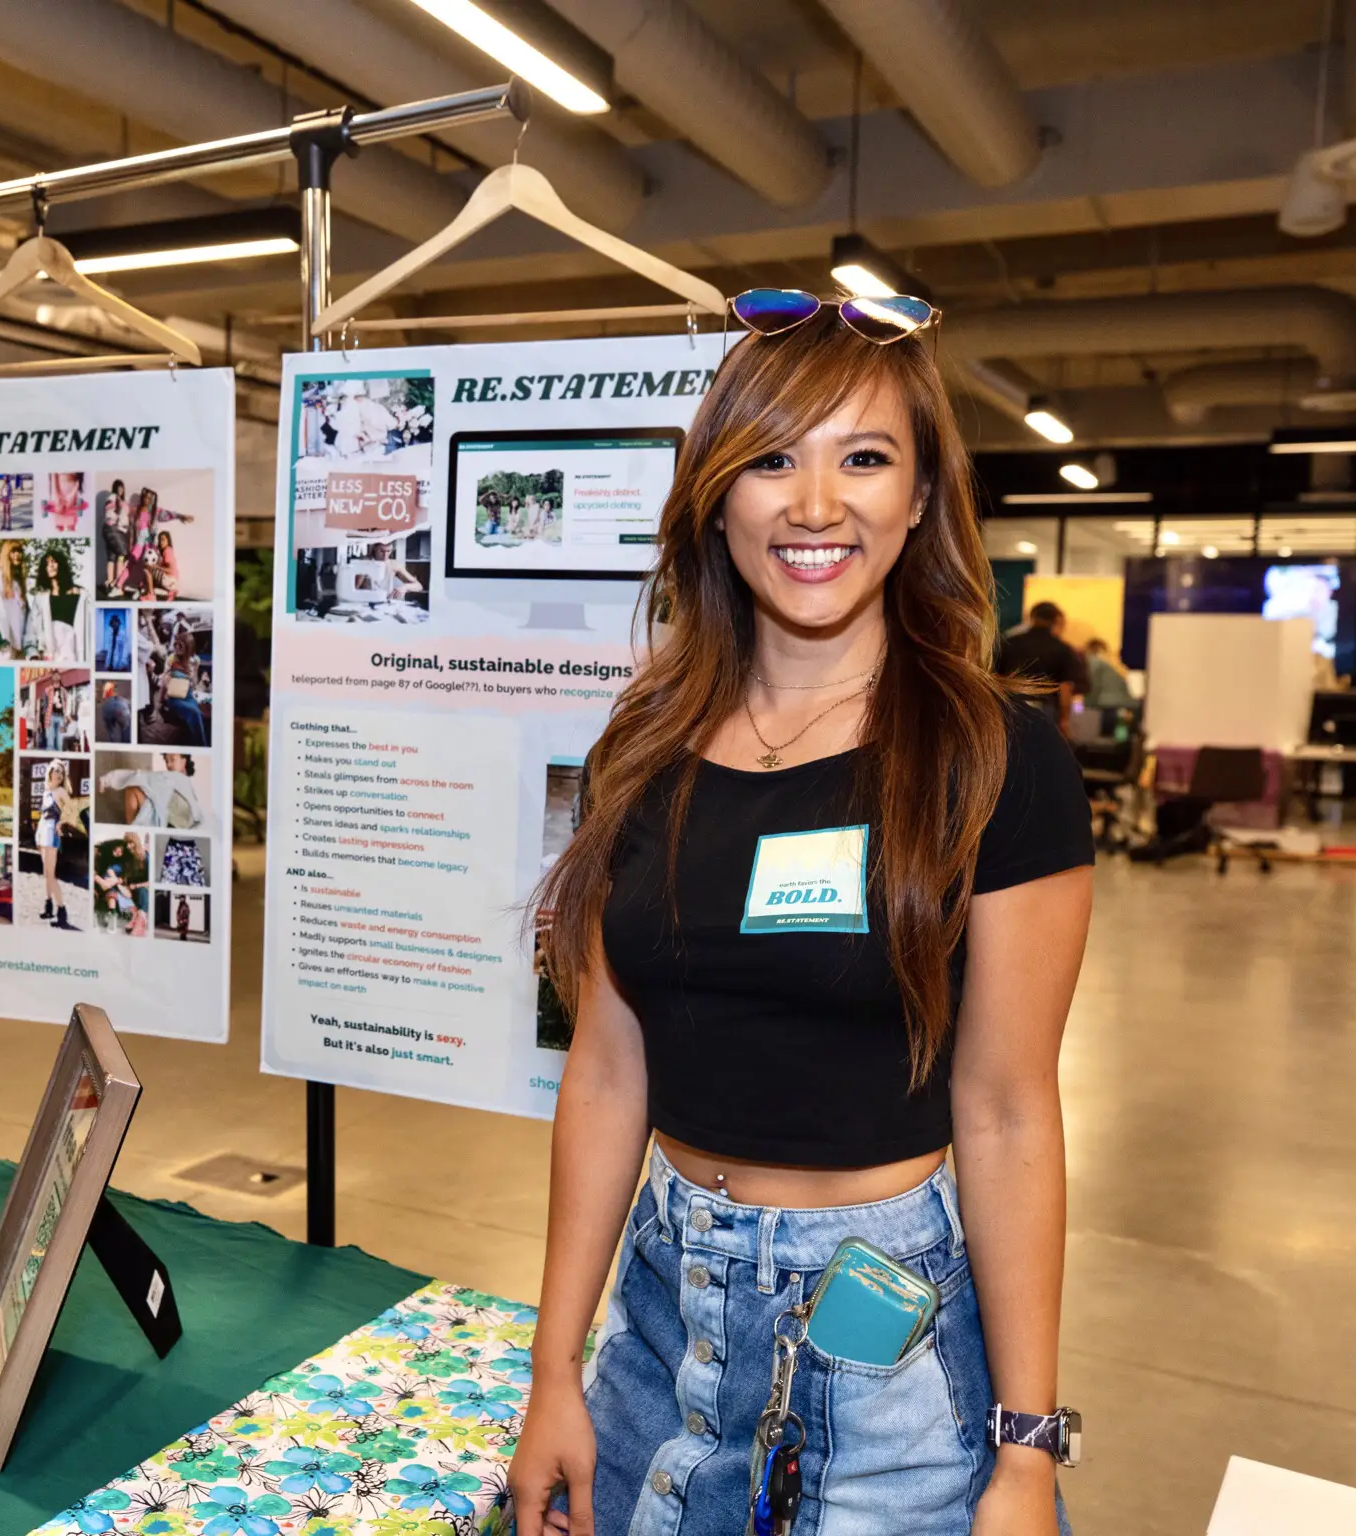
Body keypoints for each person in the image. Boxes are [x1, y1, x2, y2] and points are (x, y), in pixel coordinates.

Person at [510, 308, 1092, 1536]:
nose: (814, 503)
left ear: (922, 492)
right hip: (662, 1310)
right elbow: (609, 1072)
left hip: (880, 1339)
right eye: (772, 458)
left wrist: (1026, 1453)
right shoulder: (642, 748)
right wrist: (552, 1371)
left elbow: (1005, 1109)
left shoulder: (996, 759)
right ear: (714, 498)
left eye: (863, 458)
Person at [995, 600, 1089, 724]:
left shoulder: (1010, 643)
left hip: (1010, 706)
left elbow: (995, 676)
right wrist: (1064, 720)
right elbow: (1065, 687)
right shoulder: (1062, 648)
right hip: (1045, 709)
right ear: (1056, 621)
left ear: (1032, 617)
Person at [35, 760, 80, 930]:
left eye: (62, 772)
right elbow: (42, 816)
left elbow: (72, 811)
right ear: (50, 772)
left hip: (52, 834)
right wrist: (38, 835)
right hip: (42, 833)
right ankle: (49, 907)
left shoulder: (61, 791)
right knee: (46, 874)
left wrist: (61, 824)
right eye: (57, 771)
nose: (60, 775)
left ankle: (62, 911)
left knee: (50, 874)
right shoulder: (47, 791)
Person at [0, 540, 28, 656]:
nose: (17, 555)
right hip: (2, 645)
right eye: (13, 551)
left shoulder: (18, 584)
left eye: (19, 551)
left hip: (18, 648)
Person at [1081, 636, 1135, 711]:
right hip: (1122, 704)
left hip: (1109, 705)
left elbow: (1094, 686)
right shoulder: (1108, 668)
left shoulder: (1094, 662)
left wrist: (1086, 706)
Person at [98, 477, 129, 591]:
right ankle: (117, 584)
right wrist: (119, 524)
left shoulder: (117, 499)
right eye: (119, 487)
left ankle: (109, 583)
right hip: (113, 529)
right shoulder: (113, 498)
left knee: (112, 557)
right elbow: (110, 514)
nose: (121, 490)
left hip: (111, 529)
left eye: (122, 488)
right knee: (123, 554)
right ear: (115, 488)